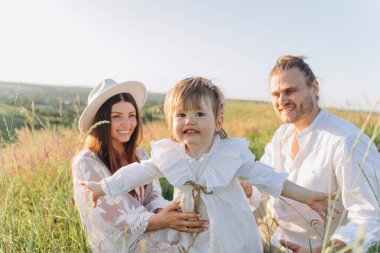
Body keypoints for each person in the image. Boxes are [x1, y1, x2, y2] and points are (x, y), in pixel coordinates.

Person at [82, 77, 334, 253]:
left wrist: (308, 197)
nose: (189, 120)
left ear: (218, 121)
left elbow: (269, 178)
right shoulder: (171, 155)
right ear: (172, 122)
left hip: (231, 229)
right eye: (181, 115)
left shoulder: (229, 155)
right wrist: (102, 187)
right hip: (196, 232)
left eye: (199, 114)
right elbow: (136, 173)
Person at [251, 55, 380, 252]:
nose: (282, 101)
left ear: (314, 87)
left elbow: (370, 217)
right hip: (271, 226)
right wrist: (246, 188)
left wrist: (323, 250)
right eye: (276, 94)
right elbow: (261, 182)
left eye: (290, 91)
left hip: (312, 244)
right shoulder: (282, 134)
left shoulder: (346, 141)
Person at [72, 79, 208, 253]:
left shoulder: (140, 154)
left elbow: (153, 196)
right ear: (101, 121)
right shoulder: (86, 162)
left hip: (153, 234)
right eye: (116, 117)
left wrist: (167, 212)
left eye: (131, 115)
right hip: (120, 245)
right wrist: (161, 221)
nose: (127, 124)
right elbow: (110, 216)